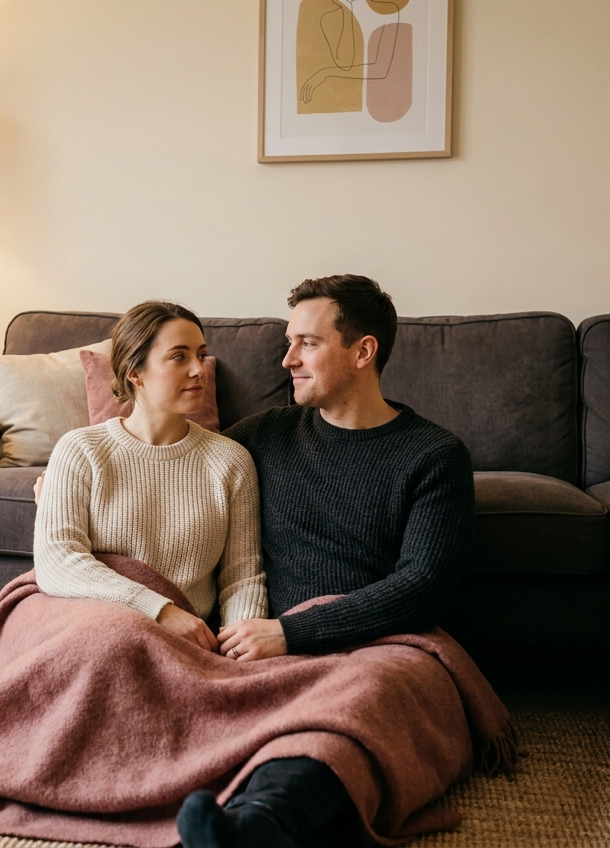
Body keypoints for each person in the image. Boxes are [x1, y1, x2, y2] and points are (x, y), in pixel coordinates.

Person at [177, 274, 475, 848]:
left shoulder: (435, 455)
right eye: (289, 342)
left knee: (364, 702)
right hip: (265, 644)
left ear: (363, 351)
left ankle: (260, 826)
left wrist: (293, 632)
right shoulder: (263, 435)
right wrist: (73, 482)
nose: (286, 359)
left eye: (307, 343)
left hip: (378, 645)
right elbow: (171, 468)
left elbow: (425, 585)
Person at [34, 300, 269, 648]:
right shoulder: (81, 449)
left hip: (187, 640)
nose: (199, 370)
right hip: (94, 624)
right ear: (135, 372)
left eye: (201, 355)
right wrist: (159, 611)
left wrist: (237, 648)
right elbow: (58, 561)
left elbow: (242, 579)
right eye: (179, 357)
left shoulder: (231, 461)